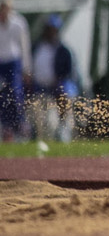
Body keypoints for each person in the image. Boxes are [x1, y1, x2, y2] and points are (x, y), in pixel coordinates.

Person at [28, 14, 79, 143]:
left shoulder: (63, 51)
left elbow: (68, 72)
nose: (51, 33)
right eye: (48, 29)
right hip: (40, 89)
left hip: (56, 89)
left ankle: (64, 130)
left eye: (53, 30)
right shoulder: (37, 48)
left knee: (61, 107)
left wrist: (58, 83)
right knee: (43, 121)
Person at [0, 0, 31, 142]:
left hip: (13, 62)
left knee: (15, 92)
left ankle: (20, 125)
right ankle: (6, 127)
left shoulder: (18, 23)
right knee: (3, 95)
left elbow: (24, 46)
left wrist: (26, 68)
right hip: (1, 63)